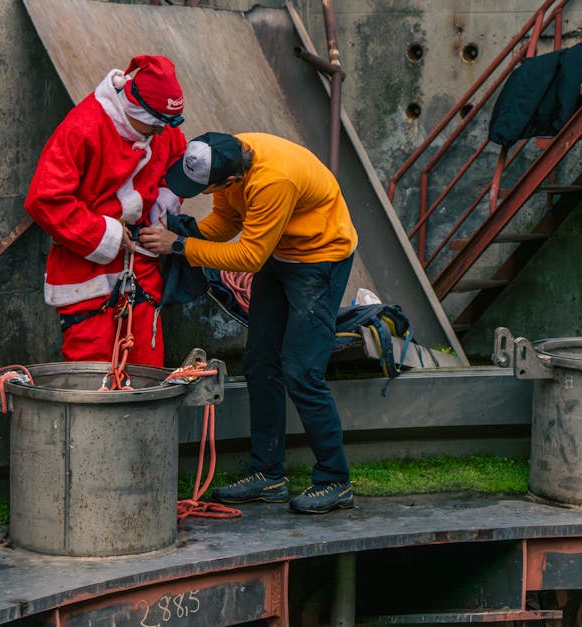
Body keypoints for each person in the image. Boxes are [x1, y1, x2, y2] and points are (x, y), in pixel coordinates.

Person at [138, 132, 358, 514]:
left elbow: (250, 256)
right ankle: (268, 475)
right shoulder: (224, 153)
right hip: (280, 252)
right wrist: (181, 233)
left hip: (319, 258)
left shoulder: (274, 181)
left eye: (204, 188)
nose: (201, 192)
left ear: (230, 180)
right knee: (259, 362)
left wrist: (179, 245)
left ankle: (335, 479)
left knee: (301, 370)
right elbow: (225, 222)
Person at [24, 55, 188, 367]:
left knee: (147, 367)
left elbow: (175, 163)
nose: (160, 132)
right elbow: (45, 199)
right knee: (93, 370)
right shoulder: (83, 127)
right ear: (135, 107)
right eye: (155, 124)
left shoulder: (160, 127)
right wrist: (105, 234)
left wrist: (163, 207)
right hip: (85, 267)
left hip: (140, 263)